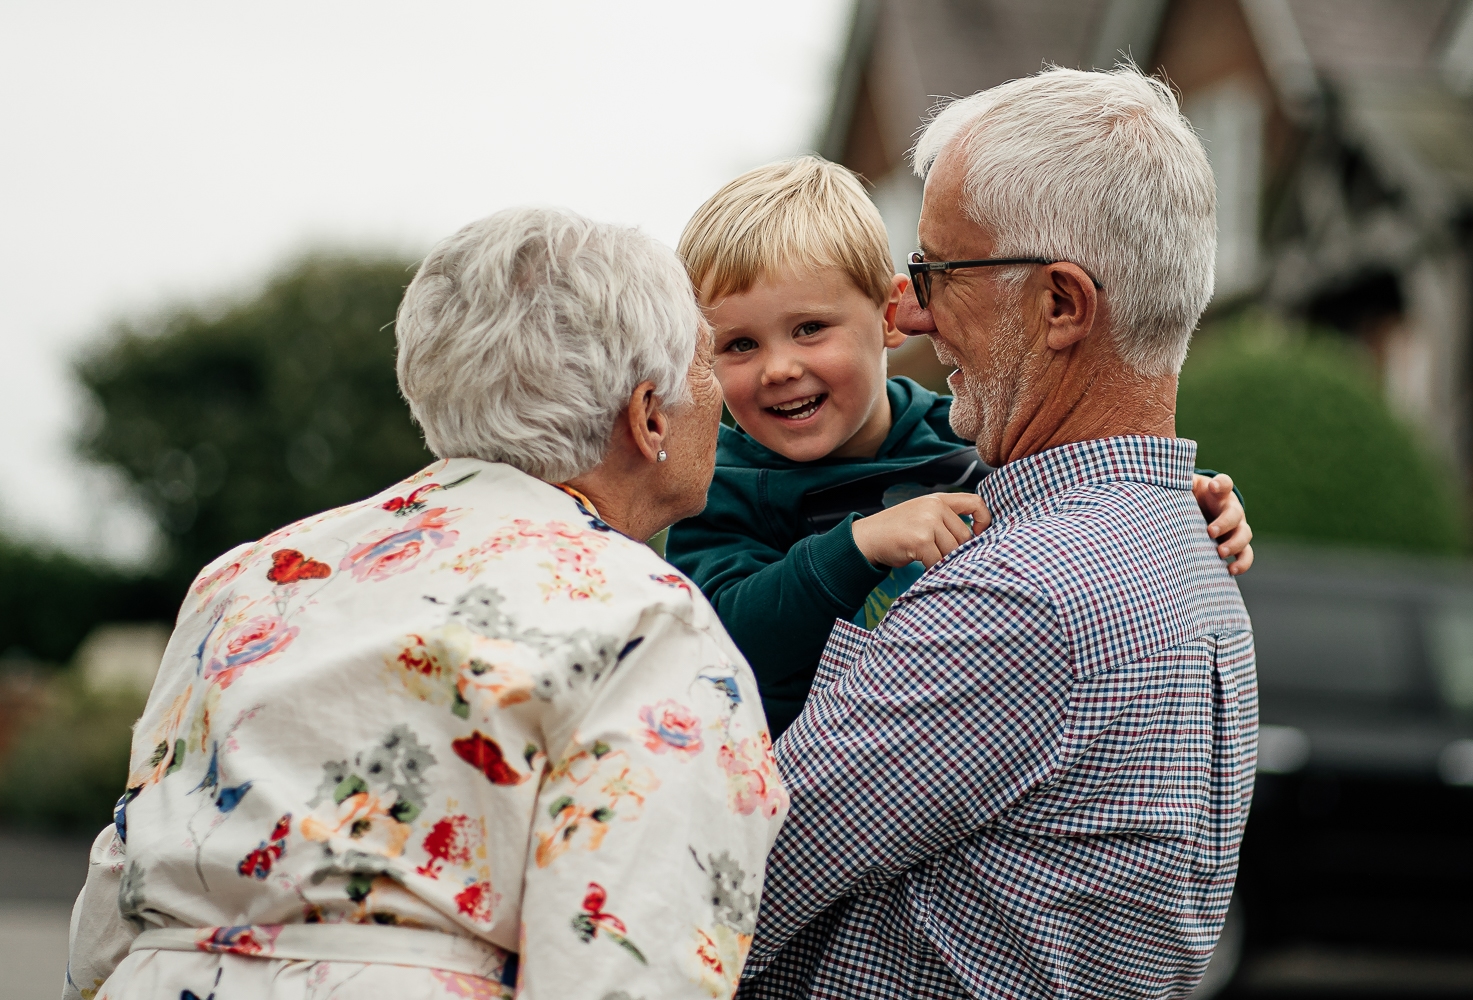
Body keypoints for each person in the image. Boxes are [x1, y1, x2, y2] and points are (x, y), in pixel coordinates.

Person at [63, 207, 786, 1000]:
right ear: (649, 414)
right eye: (710, 364)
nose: (723, 396)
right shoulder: (650, 621)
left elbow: (115, 891)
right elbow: (625, 965)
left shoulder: (253, 574)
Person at [737, 67, 1258, 999]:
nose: (915, 315)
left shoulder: (1023, 597)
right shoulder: (1190, 554)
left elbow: (725, 882)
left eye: (938, 272)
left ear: (1062, 304)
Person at [667, 155, 1254, 738]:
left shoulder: (968, 434)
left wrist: (1193, 495)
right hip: (801, 778)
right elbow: (717, 645)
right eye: (739, 345)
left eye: (810, 329)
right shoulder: (720, 483)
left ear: (891, 317)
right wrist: (857, 546)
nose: (778, 369)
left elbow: (1077, 487)